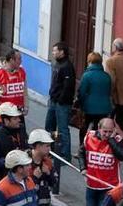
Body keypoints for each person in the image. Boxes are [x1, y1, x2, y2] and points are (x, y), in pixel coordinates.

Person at [45, 42, 75, 185]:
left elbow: (68, 87)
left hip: (62, 103)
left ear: (62, 52)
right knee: (49, 126)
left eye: (55, 50)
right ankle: (50, 151)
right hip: (53, 100)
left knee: (63, 129)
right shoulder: (57, 65)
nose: (53, 53)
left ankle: (65, 155)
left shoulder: (67, 67)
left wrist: (60, 99)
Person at [80, 118, 123, 206]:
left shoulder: (119, 141)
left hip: (109, 186)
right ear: (99, 128)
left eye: (110, 132)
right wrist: (83, 168)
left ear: (114, 130)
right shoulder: (89, 136)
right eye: (105, 131)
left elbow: (122, 156)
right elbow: (81, 152)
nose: (107, 134)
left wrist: (111, 140)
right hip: (91, 184)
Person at [0, 103, 28, 184]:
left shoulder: (21, 129)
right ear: (6, 121)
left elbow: (26, 146)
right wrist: (10, 160)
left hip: (23, 179)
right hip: (5, 182)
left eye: (18, 117)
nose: (19, 120)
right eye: (15, 118)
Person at [77, 52, 113, 145]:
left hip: (89, 107)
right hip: (104, 108)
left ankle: (83, 147)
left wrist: (80, 105)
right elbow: (109, 91)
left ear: (89, 61)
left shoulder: (87, 75)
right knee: (98, 129)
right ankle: (97, 147)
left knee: (84, 128)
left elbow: (82, 92)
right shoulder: (106, 76)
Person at [0, 50, 28, 116]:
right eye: (19, 59)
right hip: (3, 114)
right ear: (11, 60)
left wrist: (26, 107)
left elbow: (25, 92)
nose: (21, 61)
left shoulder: (22, 72)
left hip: (18, 112)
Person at [27, 130, 55, 206]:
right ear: (38, 146)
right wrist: (34, 178)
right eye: (47, 146)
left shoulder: (48, 162)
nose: (50, 149)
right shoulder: (24, 162)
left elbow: (54, 183)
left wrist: (49, 173)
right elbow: (21, 187)